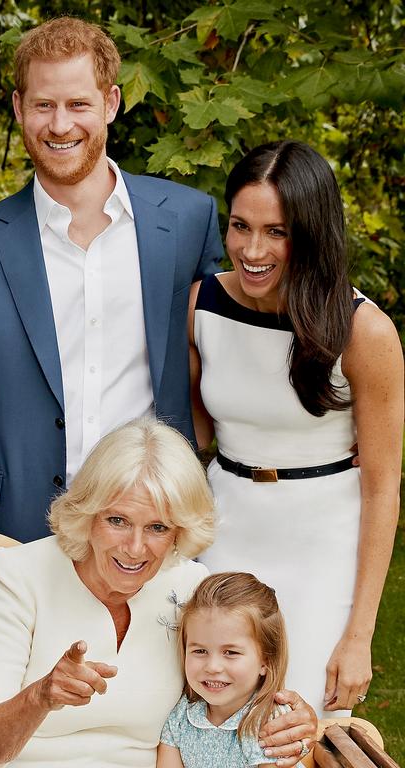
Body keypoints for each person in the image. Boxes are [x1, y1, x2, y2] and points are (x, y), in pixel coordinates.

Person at [0, 16, 224, 571]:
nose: (60, 125)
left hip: (156, 525)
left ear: (110, 103)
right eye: (43, 105)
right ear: (17, 107)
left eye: (78, 104)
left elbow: (223, 355)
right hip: (15, 527)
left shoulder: (186, 221)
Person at [0, 419, 316, 768]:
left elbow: (236, 686)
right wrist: (40, 696)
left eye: (157, 527)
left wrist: (292, 717)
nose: (135, 549)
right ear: (88, 512)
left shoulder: (188, 586)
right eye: (117, 520)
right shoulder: (19, 574)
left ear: (179, 531)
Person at [190, 140, 403, 715]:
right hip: (224, 533)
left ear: (310, 233)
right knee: (210, 720)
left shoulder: (364, 332)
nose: (252, 250)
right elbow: (193, 438)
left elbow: (383, 488)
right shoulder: (202, 306)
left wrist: (358, 636)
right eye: (239, 226)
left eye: (276, 232)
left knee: (297, 725)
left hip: (322, 545)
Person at [157, 572, 292, 768]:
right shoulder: (181, 717)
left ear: (265, 660)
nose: (212, 667)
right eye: (200, 651)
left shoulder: (268, 723)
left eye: (230, 652)